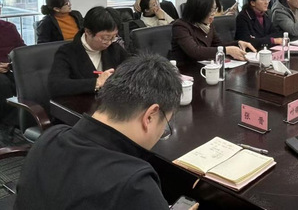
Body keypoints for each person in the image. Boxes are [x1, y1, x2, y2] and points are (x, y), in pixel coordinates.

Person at [15, 53, 199, 210]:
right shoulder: (134, 184)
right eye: (165, 124)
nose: (161, 133)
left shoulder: (49, 138)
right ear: (150, 116)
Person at [48, 6, 128, 98]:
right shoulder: (67, 52)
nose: (109, 42)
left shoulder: (114, 48)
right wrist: (96, 83)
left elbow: (132, 68)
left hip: (110, 101)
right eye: (105, 38)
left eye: (113, 37)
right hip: (81, 103)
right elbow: (56, 85)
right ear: (88, 32)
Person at [170, 0, 255, 68]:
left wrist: (238, 43)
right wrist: (227, 50)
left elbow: (218, 45)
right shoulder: (181, 26)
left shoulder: (208, 24)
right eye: (209, 10)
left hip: (204, 68)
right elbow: (195, 51)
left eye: (214, 9)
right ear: (198, 10)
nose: (213, 14)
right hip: (186, 70)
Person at [0, 2, 25, 125]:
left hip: (11, 66)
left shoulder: (9, 27)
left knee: (33, 79)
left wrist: (12, 64)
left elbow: (22, 49)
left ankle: (29, 115)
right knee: (3, 84)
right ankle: (9, 123)